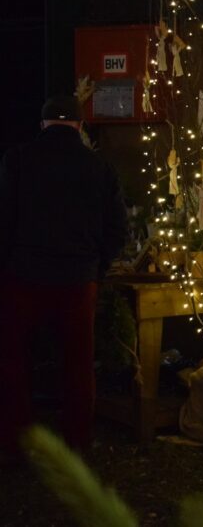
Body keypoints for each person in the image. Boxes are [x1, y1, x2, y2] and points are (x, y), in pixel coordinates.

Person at [0, 95, 128, 456]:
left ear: (43, 125)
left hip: (23, 276)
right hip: (77, 279)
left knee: (14, 361)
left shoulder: (17, 160)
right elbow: (117, 229)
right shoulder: (99, 167)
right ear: (80, 126)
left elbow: (4, 220)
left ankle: (16, 442)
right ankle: (77, 443)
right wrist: (97, 266)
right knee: (77, 363)